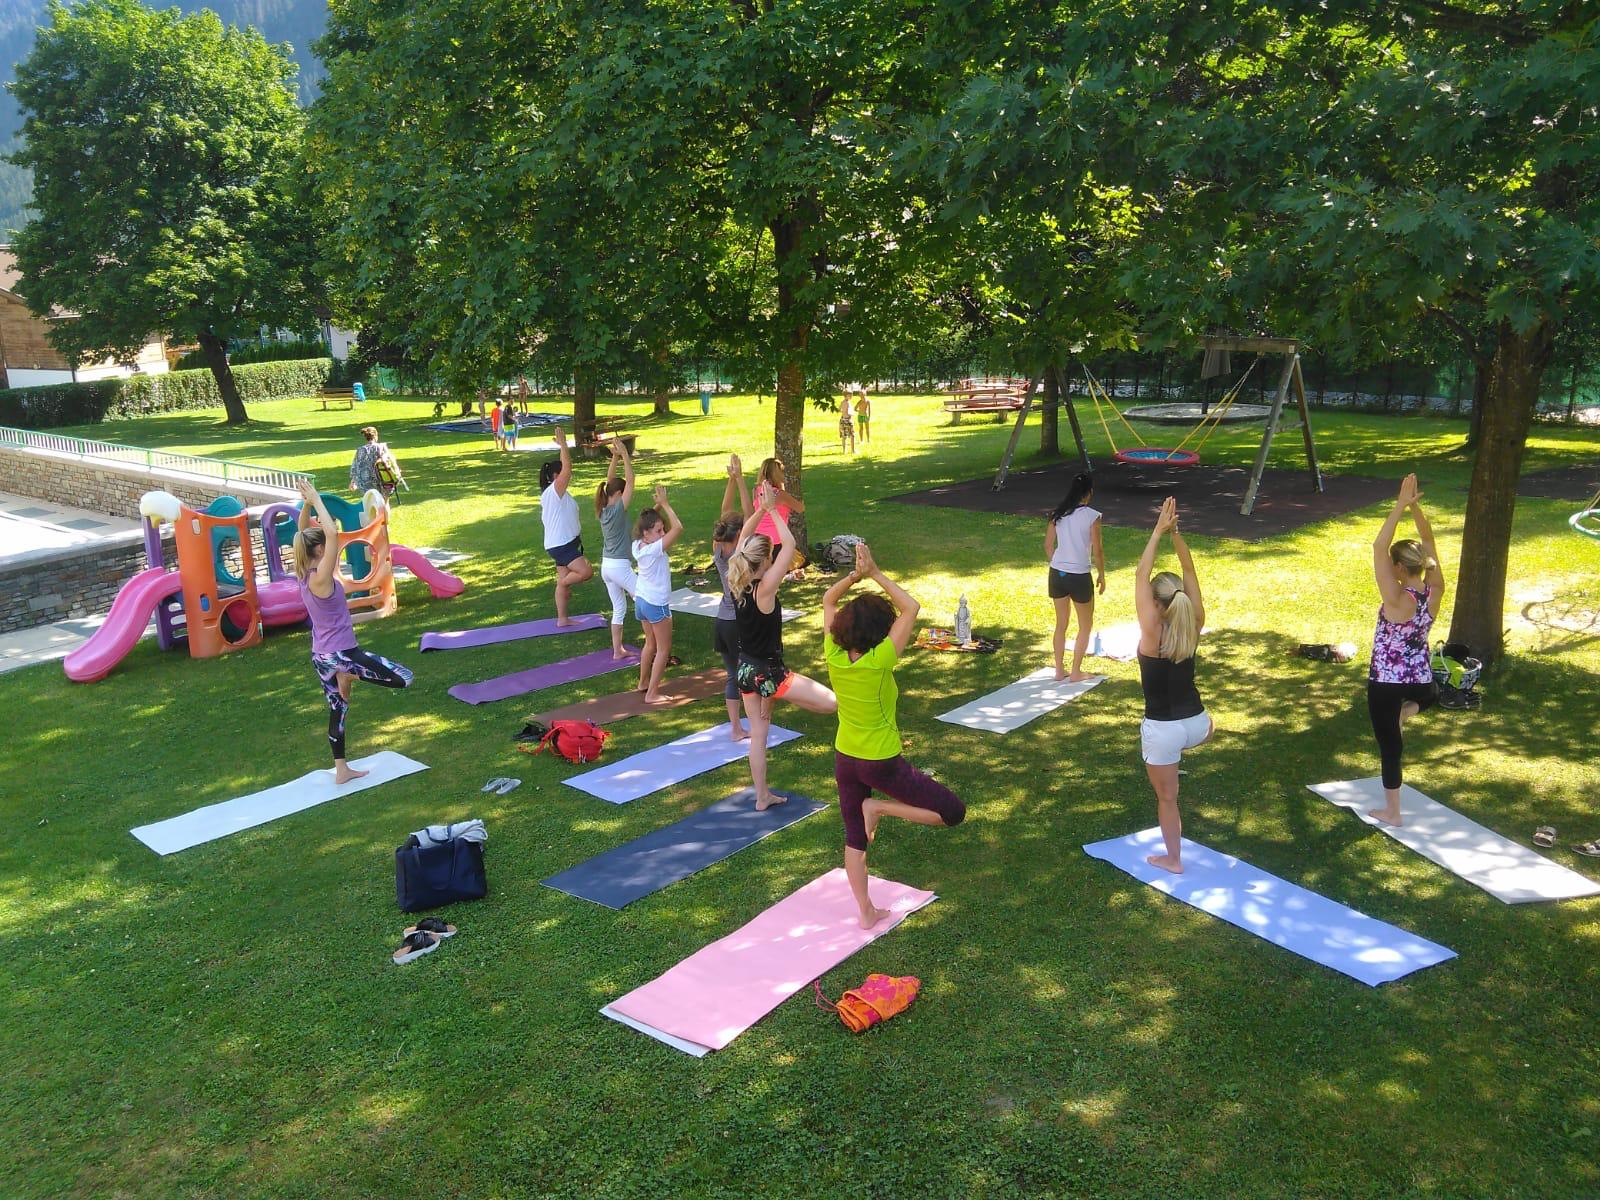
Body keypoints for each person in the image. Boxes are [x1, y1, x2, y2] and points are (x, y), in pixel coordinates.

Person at [823, 541, 966, 929]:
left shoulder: (833, 654)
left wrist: (853, 577)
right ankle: (880, 807)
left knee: (855, 839)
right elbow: (911, 608)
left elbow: (828, 600)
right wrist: (874, 574)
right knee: (951, 812)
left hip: (845, 756)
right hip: (880, 761)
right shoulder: (880, 659)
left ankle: (866, 912)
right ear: (878, 633)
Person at [293, 479, 413, 784]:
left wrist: (307, 503)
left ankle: (341, 769)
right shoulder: (321, 577)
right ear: (320, 549)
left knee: (338, 709)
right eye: (326, 545)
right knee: (403, 679)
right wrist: (317, 498)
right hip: (342, 653)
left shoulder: (305, 574)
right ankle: (352, 673)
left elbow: (303, 529)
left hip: (321, 656)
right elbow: (332, 533)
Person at [726, 486, 838, 809]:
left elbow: (745, 538)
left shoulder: (738, 580)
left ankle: (762, 797)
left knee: (759, 734)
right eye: (771, 558)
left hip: (745, 669)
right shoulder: (764, 588)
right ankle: (773, 695)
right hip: (769, 672)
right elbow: (789, 544)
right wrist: (773, 510)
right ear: (765, 562)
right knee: (831, 703)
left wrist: (760, 511)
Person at [1134, 497, 1212, 874]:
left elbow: (1140, 573)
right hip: (1199, 725)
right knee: (1196, 731)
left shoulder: (1153, 633)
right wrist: (1176, 534)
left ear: (1154, 602)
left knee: (1167, 798)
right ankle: (1202, 734)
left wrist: (1157, 530)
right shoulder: (1193, 622)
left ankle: (1174, 860)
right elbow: (1190, 571)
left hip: (1164, 731)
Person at [1366, 473, 1444, 827]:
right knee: (1429, 696)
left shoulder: (1396, 598)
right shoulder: (1434, 590)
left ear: (1399, 568)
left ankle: (1392, 812)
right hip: (1420, 679)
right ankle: (1409, 710)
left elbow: (1378, 548)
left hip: (1386, 681)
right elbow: (1428, 540)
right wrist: (1416, 509)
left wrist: (1400, 505)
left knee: (1390, 745)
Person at [1044, 471, 1106, 681]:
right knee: (1085, 625)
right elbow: (1098, 550)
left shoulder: (1058, 514)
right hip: (1079, 575)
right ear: (1088, 493)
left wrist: (1060, 562)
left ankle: (1059, 670)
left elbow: (1048, 546)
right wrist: (1102, 575)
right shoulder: (1092, 516)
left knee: (1061, 623)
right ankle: (1076, 671)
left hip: (1057, 573)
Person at [712, 454, 754, 740]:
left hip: (721, 621)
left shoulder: (718, 548)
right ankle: (754, 722)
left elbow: (725, 512)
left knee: (732, 675)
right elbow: (749, 513)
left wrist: (731, 479)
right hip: (739, 621)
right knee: (748, 674)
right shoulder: (741, 552)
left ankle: (737, 728)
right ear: (740, 533)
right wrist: (739, 479)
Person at [632, 485, 684, 702]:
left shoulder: (638, 544)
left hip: (642, 601)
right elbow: (679, 528)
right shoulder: (654, 549)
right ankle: (652, 694)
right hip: (655, 604)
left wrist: (655, 508)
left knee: (650, 644)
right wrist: (665, 504)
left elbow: (648, 523)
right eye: (658, 531)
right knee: (663, 649)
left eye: (663, 530)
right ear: (647, 533)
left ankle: (643, 683)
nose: (663, 534)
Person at [539, 428, 594, 625]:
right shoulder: (554, 491)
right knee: (586, 572)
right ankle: (563, 584)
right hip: (562, 545)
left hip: (562, 544)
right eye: (559, 471)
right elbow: (568, 470)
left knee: (567, 576)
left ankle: (562, 619)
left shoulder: (557, 495)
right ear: (555, 475)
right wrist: (564, 444)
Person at [595, 441, 638, 659]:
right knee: (645, 597)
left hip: (606, 566)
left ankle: (617, 651)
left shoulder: (602, 508)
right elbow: (631, 480)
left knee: (619, 608)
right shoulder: (619, 509)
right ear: (619, 493)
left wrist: (614, 458)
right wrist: (625, 455)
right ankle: (655, 643)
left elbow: (611, 482)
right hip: (619, 566)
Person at [752, 457, 805, 544]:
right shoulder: (780, 494)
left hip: (758, 538)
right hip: (776, 538)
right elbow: (800, 508)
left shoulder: (756, 490)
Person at [348, 426, 401, 497]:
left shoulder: (360, 450)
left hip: (366, 483)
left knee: (371, 503)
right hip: (381, 480)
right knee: (384, 502)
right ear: (376, 436)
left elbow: (355, 467)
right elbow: (391, 461)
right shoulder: (380, 447)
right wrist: (397, 472)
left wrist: (353, 482)